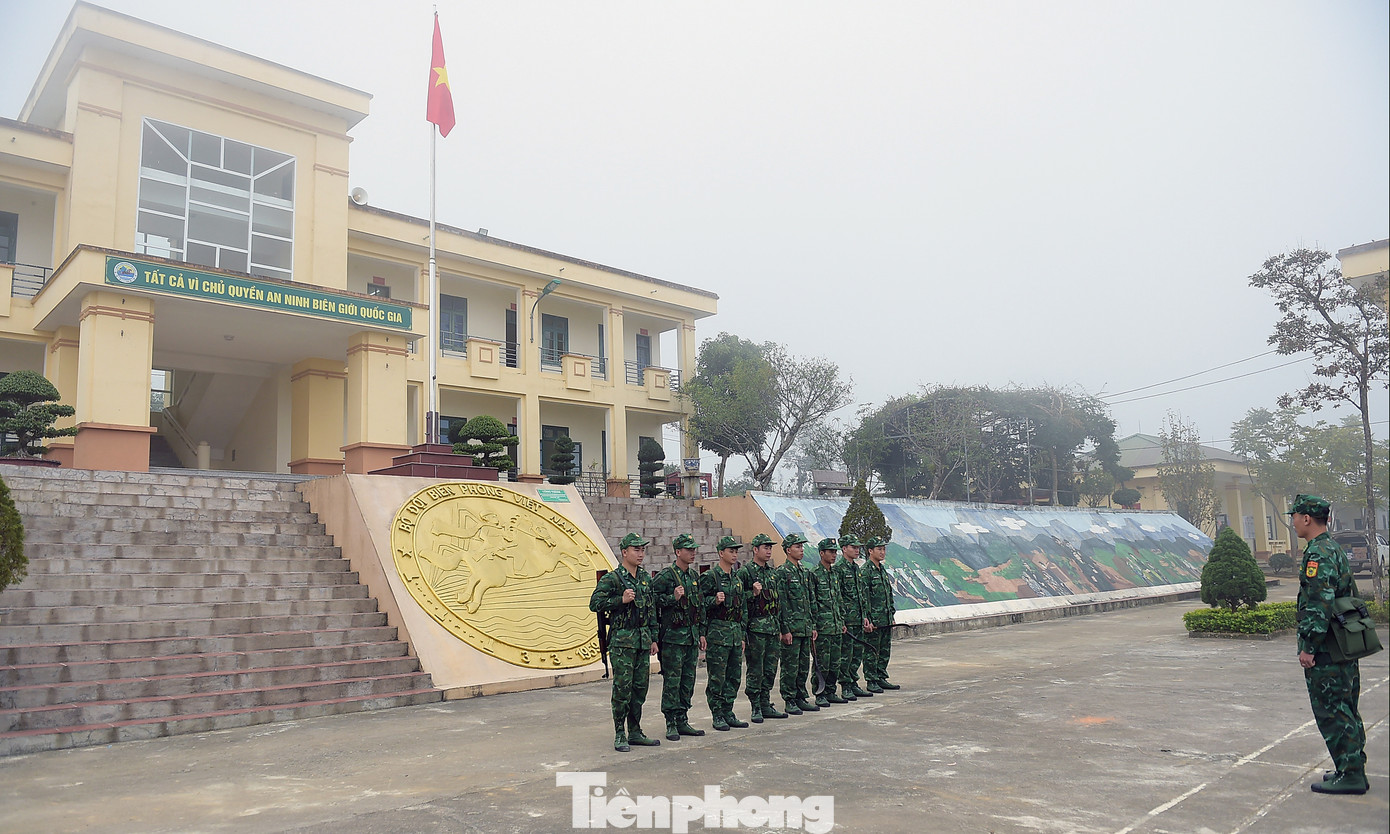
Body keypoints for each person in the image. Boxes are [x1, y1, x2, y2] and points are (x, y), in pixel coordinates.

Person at [1290, 494, 1369, 795]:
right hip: (1342, 642)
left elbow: (1319, 603)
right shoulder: (1332, 548)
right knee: (1347, 707)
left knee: (1333, 710)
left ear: (1307, 518)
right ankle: (1350, 766)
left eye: (1295, 516)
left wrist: (1309, 646)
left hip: (1327, 647)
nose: (1294, 521)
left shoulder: (1318, 554)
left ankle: (1350, 775)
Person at [589, 533, 660, 752]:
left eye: (642, 550)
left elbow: (651, 610)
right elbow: (595, 603)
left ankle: (635, 730)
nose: (640, 553)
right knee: (623, 688)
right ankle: (620, 732)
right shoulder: (613, 579)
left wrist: (654, 638)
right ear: (624, 552)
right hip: (622, 642)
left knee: (640, 688)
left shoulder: (645, 578)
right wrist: (620, 600)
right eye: (636, 549)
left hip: (641, 641)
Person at [652, 533, 707, 741]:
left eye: (694, 549)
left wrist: (702, 632)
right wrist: (671, 598)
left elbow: (699, 607)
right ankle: (671, 722)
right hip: (673, 638)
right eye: (688, 550)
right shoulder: (666, 576)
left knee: (688, 681)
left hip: (691, 637)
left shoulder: (693, 577)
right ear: (678, 552)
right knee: (672, 682)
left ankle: (683, 719)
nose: (693, 553)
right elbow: (651, 600)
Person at [699, 535, 747, 732]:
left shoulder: (736, 578)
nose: (734, 555)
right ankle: (717, 714)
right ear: (721, 553)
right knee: (717, 677)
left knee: (734, 677)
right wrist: (714, 601)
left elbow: (742, 607)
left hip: (735, 633)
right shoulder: (710, 577)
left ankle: (728, 711)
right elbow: (699, 605)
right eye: (731, 551)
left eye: (736, 551)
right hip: (718, 633)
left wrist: (742, 634)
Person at [737, 533, 787, 722]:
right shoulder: (746, 572)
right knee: (755, 669)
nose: (768, 551)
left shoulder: (772, 573)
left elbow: (778, 603)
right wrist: (753, 593)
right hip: (756, 629)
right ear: (755, 549)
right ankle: (755, 706)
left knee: (770, 669)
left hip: (772, 628)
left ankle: (766, 703)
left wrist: (782, 627)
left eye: (770, 548)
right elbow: (739, 602)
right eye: (765, 547)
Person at [776, 532, 819, 715]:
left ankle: (801, 696)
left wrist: (813, 626)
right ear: (788, 550)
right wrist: (784, 629)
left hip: (805, 628)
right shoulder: (782, 573)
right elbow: (781, 604)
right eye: (797, 547)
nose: (801, 550)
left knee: (803, 665)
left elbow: (810, 601)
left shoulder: (804, 573)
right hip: (791, 629)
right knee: (790, 666)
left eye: (802, 547)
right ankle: (790, 699)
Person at [808, 537, 847, 707]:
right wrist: (814, 626)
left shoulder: (835, 574)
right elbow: (812, 602)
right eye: (830, 552)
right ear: (821, 553)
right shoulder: (814, 574)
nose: (834, 555)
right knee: (821, 663)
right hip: (822, 628)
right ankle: (820, 693)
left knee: (835, 662)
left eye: (835, 551)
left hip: (836, 626)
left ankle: (831, 691)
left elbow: (838, 600)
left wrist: (842, 620)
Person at [834, 533, 873, 700]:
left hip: (858, 619)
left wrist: (864, 615)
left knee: (857, 654)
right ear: (844, 549)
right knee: (846, 654)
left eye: (858, 547)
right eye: (853, 547)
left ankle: (853, 682)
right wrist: (841, 619)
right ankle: (845, 685)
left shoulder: (856, 568)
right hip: (847, 620)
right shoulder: (838, 569)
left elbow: (861, 595)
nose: (857, 550)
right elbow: (838, 597)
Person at [861, 535, 900, 692]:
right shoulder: (865, 571)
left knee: (884, 649)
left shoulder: (882, 570)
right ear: (870, 551)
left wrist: (891, 616)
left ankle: (881, 676)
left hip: (885, 619)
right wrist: (867, 618)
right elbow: (864, 597)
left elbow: (888, 595)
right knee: (872, 650)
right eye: (879, 549)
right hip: (874, 620)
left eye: (884, 549)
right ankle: (871, 680)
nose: (883, 552)